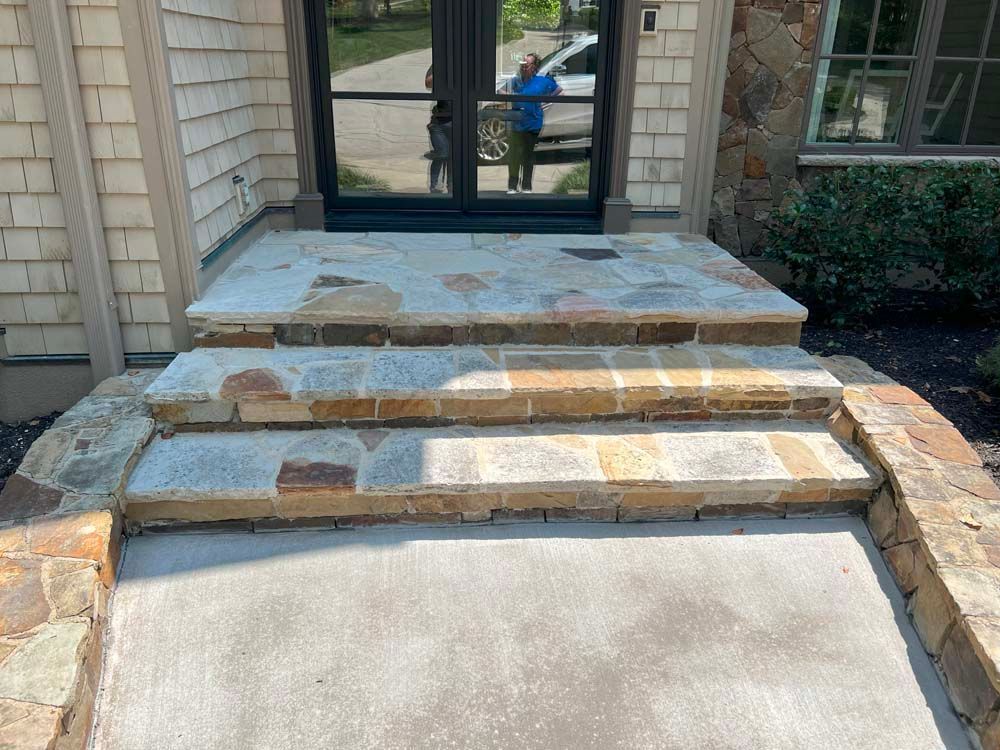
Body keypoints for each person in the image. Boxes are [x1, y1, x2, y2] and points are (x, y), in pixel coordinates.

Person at [507, 53, 561, 195]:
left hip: (533, 122)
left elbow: (559, 90)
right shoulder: (515, 81)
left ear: (534, 67)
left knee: (527, 155)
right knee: (514, 155)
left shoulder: (542, 81)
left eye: (527, 65)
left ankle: (526, 186)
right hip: (516, 122)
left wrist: (547, 101)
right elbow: (500, 90)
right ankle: (512, 185)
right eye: (522, 65)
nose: (523, 68)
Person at [424, 65, 451, 194]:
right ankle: (434, 187)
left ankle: (452, 188)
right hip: (438, 121)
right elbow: (428, 83)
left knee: (454, 157)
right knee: (442, 153)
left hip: (457, 120)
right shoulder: (438, 63)